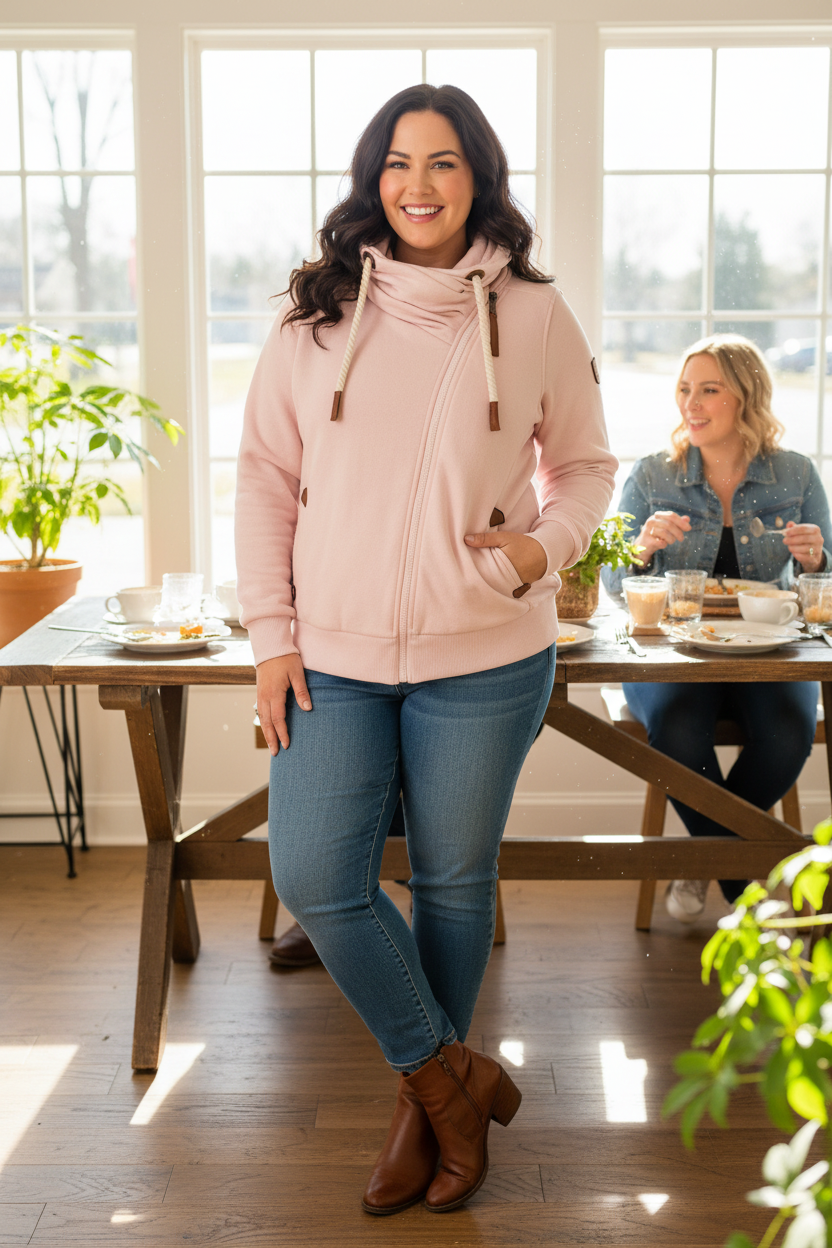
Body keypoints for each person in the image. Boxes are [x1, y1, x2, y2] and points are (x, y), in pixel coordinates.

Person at [235, 83, 615, 1215]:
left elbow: (585, 468)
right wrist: (271, 635)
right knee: (314, 874)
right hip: (331, 653)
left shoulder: (534, 314)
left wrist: (537, 551)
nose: (418, 185)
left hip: (487, 651)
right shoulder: (314, 316)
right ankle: (452, 1081)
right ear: (374, 179)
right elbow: (263, 479)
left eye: (443, 162)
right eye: (398, 163)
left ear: (477, 178)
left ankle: (427, 1116)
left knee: (452, 881)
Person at [603, 334, 832, 923]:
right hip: (676, 651)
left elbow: (829, 584)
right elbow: (612, 583)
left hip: (770, 649)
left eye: (709, 389)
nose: (691, 403)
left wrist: (816, 562)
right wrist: (639, 551)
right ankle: (743, 888)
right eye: (685, 389)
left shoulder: (796, 474)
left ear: (746, 397)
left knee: (787, 734)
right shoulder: (653, 475)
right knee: (678, 731)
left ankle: (706, 858)